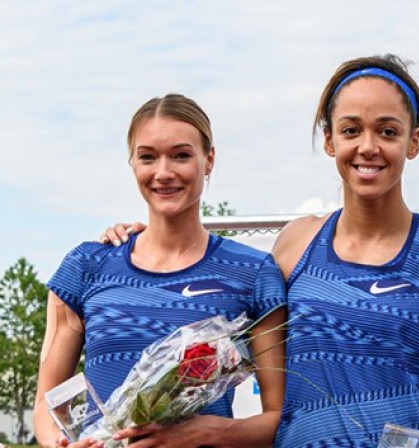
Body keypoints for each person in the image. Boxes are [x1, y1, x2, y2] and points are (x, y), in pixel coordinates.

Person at [102, 55, 419, 447]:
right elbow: (216, 309)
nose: (368, 147)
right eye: (351, 130)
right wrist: (144, 236)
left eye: (388, 132)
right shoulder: (295, 245)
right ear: (329, 139)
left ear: (413, 141)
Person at [33, 94, 287, 448]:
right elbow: (46, 404)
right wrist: (60, 444)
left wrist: (206, 433)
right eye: (147, 157)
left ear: (208, 160)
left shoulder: (253, 272)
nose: (163, 173)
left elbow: (281, 421)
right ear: (132, 163)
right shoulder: (86, 266)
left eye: (181, 155)